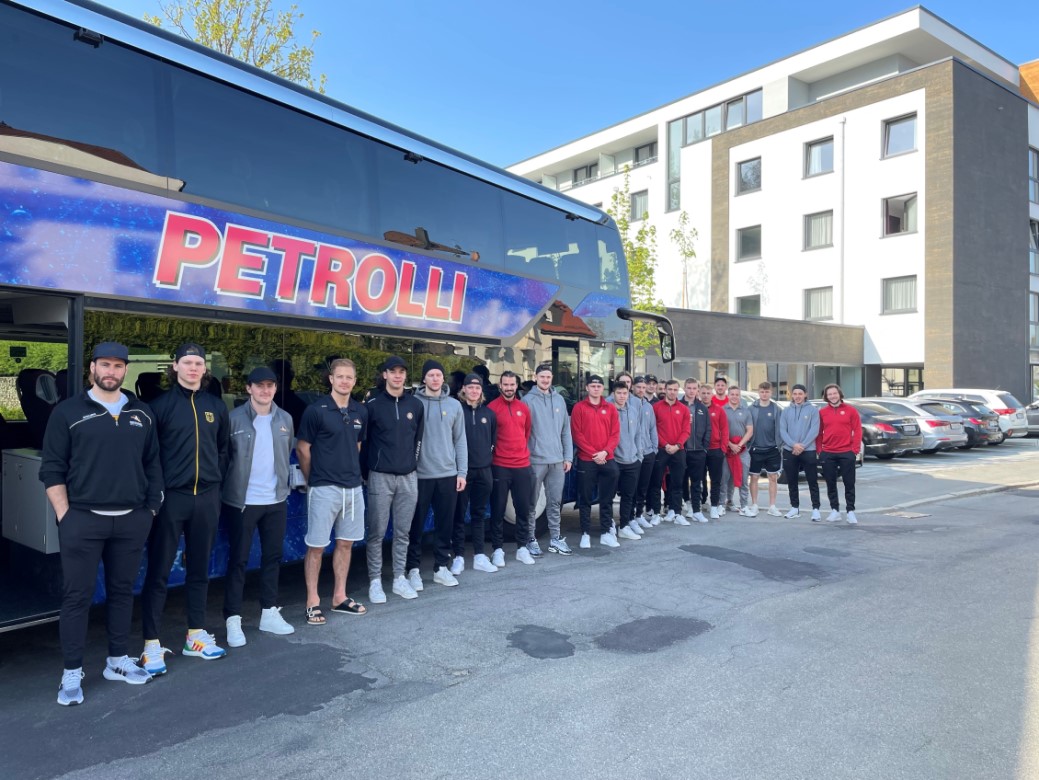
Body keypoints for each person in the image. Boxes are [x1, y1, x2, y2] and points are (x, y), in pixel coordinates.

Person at [40, 342, 163, 705]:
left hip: (131, 520)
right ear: (92, 368)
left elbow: (153, 463)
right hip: (82, 520)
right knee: (76, 597)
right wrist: (65, 515)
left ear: (125, 370)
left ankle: (117, 661)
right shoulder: (68, 412)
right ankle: (72, 671)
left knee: (123, 592)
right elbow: (52, 468)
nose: (111, 371)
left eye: (118, 366)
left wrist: (150, 509)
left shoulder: (142, 413)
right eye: (105, 365)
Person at [141, 343, 229, 674]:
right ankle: (151, 644)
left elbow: (223, 451)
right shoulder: (158, 407)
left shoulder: (215, 406)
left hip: (206, 498)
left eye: (198, 363)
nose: (193, 368)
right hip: (171, 500)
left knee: (199, 570)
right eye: (187, 362)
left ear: (204, 369)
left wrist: (215, 485)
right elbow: (149, 456)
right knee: (159, 572)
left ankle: (195, 636)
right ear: (175, 366)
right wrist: (157, 494)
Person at [221, 366, 296, 644]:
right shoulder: (233, 419)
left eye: (270, 385)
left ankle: (269, 612)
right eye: (259, 385)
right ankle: (233, 619)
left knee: (272, 558)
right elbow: (224, 459)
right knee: (238, 560)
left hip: (275, 500)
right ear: (248, 388)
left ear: (275, 388)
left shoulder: (285, 418)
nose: (265, 390)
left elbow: (286, 453)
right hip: (243, 502)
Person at [295, 359, 368, 624]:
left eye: (349, 377)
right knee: (316, 546)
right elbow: (303, 448)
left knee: (346, 544)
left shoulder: (360, 411)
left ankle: (339, 597)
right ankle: (312, 602)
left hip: (353, 489)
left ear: (354, 381)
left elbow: (357, 445)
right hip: (324, 488)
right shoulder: (316, 410)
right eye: (340, 377)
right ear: (331, 379)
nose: (345, 381)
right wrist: (313, 479)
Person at [364, 356, 425, 601]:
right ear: (385, 375)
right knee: (376, 533)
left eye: (401, 371)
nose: (398, 375)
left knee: (403, 532)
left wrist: (412, 464)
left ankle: (399, 577)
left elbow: (418, 440)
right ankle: (375, 581)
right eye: (393, 371)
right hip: (380, 476)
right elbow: (365, 442)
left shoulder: (415, 405)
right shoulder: (373, 405)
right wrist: (367, 473)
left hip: (408, 477)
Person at [407, 360, 467, 589]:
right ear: (424, 378)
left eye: (438, 375)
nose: (434, 378)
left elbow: (460, 440)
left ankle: (441, 567)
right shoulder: (413, 403)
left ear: (443, 378)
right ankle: (413, 570)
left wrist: (462, 472)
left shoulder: (454, 405)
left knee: (445, 525)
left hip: (447, 474)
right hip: (420, 476)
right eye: (430, 375)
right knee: (416, 526)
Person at [522, 364, 573, 557]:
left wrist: (568, 456)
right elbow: (523, 433)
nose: (545, 380)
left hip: (557, 460)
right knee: (532, 503)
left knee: (555, 502)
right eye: (542, 377)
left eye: (548, 377)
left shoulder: (559, 400)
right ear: (535, 377)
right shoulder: (527, 401)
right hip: (535, 460)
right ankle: (530, 539)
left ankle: (555, 539)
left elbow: (566, 431)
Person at [488, 371, 536, 565]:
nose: (509, 388)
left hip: (522, 466)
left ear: (517, 386)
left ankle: (522, 547)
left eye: (512, 384)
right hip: (499, 466)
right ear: (500, 385)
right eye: (505, 384)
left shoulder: (523, 408)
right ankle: (497, 549)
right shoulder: (492, 408)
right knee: (498, 510)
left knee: (523, 509)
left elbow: (526, 433)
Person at [453, 374, 498, 572]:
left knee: (479, 515)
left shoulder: (489, 414)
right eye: (470, 387)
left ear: (481, 391)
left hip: (484, 471)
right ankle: (458, 556)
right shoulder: (457, 411)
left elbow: (492, 442)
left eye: (477, 388)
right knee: (459, 515)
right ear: (463, 389)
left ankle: (479, 555)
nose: (474, 391)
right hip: (461, 473)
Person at [570, 375, 620, 548]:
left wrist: (605, 452)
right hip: (587, 459)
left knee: (607, 500)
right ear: (587, 388)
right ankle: (585, 534)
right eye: (593, 386)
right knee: (585, 499)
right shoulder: (579, 408)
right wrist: (594, 454)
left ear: (602, 388)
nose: (596, 389)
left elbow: (615, 434)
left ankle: (606, 532)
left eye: (599, 386)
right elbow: (577, 434)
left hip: (607, 459)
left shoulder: (610, 408)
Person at [818, 383, 862, 524]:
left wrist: (854, 450)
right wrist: (820, 451)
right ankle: (835, 510)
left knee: (849, 483)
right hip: (828, 453)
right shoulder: (822, 412)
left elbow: (858, 430)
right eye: (829, 394)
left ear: (839, 394)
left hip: (846, 452)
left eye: (834, 393)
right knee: (830, 483)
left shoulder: (851, 411)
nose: (832, 396)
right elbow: (818, 433)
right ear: (826, 397)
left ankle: (850, 511)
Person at [649, 379, 691, 524]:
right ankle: (656, 513)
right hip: (661, 450)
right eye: (670, 389)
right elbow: (653, 429)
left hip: (678, 450)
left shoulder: (684, 409)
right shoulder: (656, 407)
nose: (672, 392)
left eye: (675, 390)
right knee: (656, 483)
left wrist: (677, 445)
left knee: (677, 483)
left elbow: (686, 430)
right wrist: (665, 444)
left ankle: (677, 513)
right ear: (665, 390)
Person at [779, 383, 821, 520]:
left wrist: (802, 446)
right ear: (791, 395)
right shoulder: (786, 411)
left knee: (812, 480)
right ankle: (794, 508)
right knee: (792, 481)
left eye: (800, 394)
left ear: (805, 395)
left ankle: (816, 509)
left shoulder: (813, 410)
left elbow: (814, 430)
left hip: (808, 450)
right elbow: (782, 430)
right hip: (789, 450)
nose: (797, 396)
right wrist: (793, 445)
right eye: (795, 394)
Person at [610, 382, 644, 540]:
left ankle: (624, 526)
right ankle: (608, 525)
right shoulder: (609, 410)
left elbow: (638, 434)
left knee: (628, 496)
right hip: (614, 460)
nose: (622, 396)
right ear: (613, 394)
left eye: (625, 393)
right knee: (608, 497)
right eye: (619, 393)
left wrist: (639, 456)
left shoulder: (633, 410)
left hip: (632, 461)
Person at [745, 381, 783, 518]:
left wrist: (780, 444)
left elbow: (781, 428)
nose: (764, 394)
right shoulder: (751, 408)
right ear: (758, 392)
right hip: (755, 449)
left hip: (772, 449)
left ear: (771, 393)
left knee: (772, 477)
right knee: (754, 477)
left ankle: (772, 506)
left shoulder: (776, 409)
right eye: (762, 391)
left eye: (767, 392)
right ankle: (754, 505)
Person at [631, 376, 659, 527]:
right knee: (632, 487)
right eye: (638, 387)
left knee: (643, 486)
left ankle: (639, 514)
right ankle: (630, 517)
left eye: (643, 387)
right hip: (633, 453)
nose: (641, 390)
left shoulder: (648, 406)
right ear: (633, 387)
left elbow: (652, 428)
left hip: (648, 452)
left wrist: (654, 448)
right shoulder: (628, 404)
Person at [721, 386, 754, 513]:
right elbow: (719, 431)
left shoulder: (746, 411)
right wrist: (730, 445)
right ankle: (722, 504)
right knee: (725, 479)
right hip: (726, 450)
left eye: (737, 394)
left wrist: (739, 445)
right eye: (732, 394)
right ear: (728, 395)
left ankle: (744, 506)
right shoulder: (722, 410)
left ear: (740, 396)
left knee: (744, 479)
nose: (734, 397)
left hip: (742, 450)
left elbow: (750, 431)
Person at [683, 380, 711, 524]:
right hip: (682, 450)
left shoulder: (702, 408)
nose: (691, 391)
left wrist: (704, 448)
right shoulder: (679, 405)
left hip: (698, 451)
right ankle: (684, 505)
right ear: (684, 388)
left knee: (696, 482)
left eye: (694, 388)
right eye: (689, 388)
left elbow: (708, 428)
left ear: (697, 390)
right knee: (681, 480)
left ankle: (696, 510)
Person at [705, 383, 730, 520]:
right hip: (700, 450)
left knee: (716, 480)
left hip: (716, 450)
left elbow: (724, 430)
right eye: (703, 393)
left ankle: (714, 506)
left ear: (712, 395)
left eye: (708, 393)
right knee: (699, 479)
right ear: (699, 394)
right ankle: (699, 504)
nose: (705, 395)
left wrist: (723, 448)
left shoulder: (719, 410)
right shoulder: (697, 409)